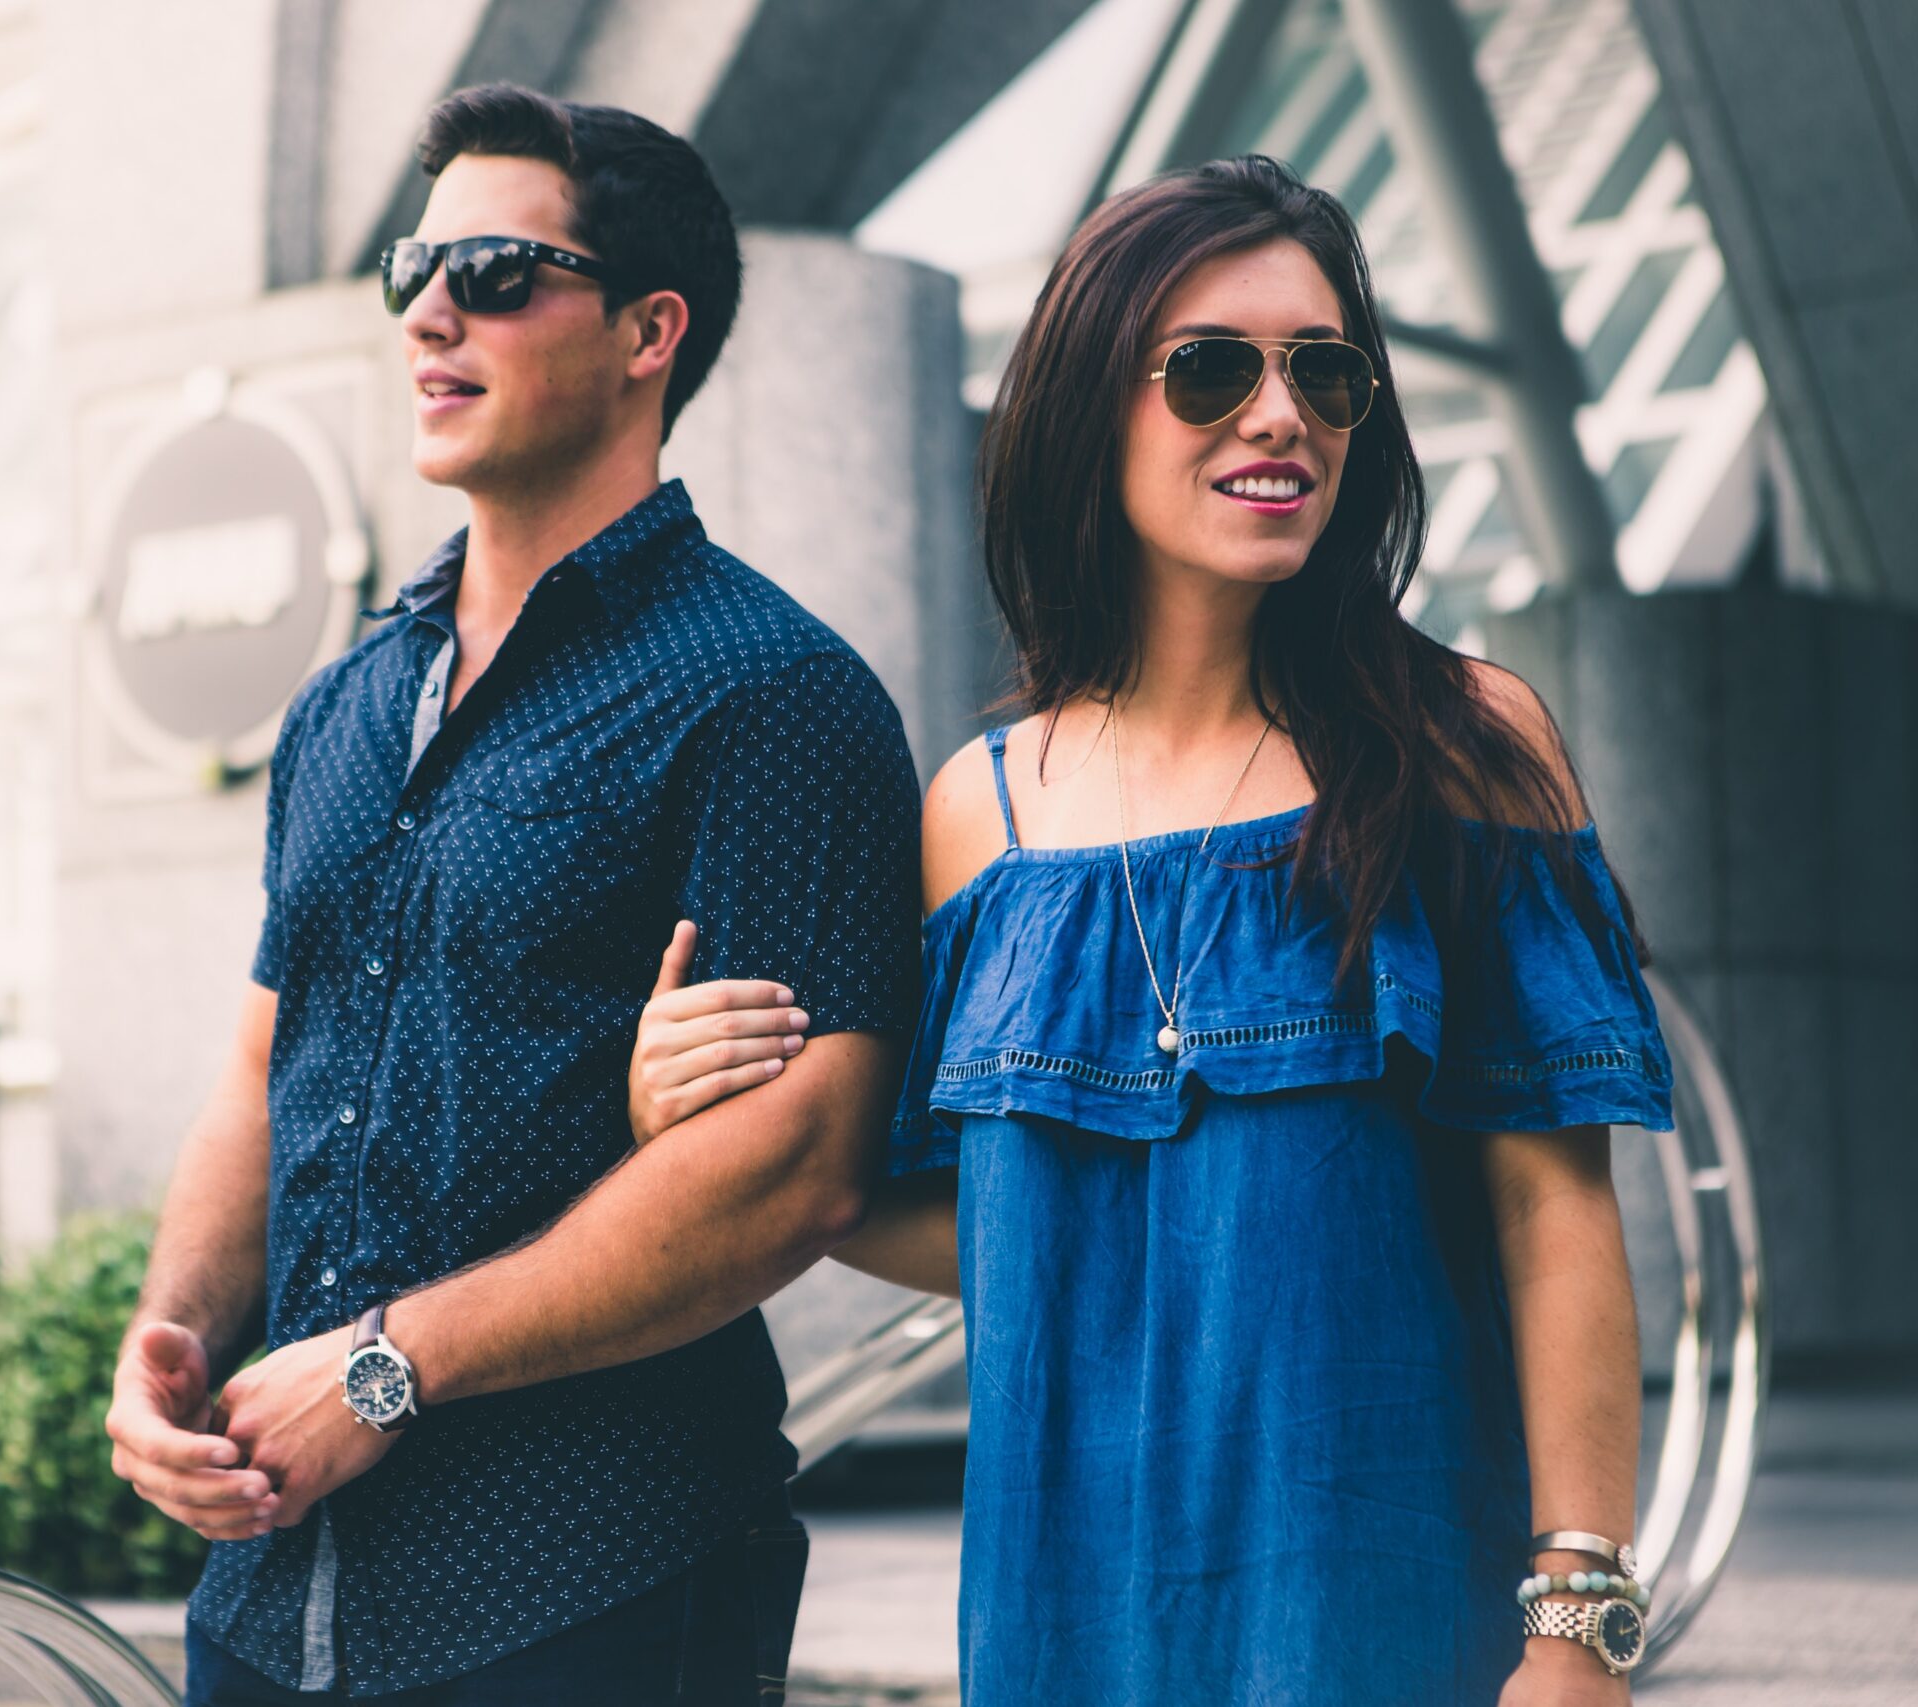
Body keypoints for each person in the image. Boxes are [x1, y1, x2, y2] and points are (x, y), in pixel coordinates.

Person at [626, 155, 1673, 1706]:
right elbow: (999, 1231)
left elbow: (1557, 1218)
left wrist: (1577, 1625)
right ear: (1087, 403)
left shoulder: (1464, 740)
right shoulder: (979, 809)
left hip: (1387, 1626)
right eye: (1209, 370)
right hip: (1065, 1629)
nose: (1282, 415)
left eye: (1327, 372)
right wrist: (711, 1129)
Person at [105, 83, 922, 1704]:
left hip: (593, 1591)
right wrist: (177, 1339)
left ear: (646, 331)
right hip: (271, 1605)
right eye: (416, 268)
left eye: (491, 271)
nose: (428, 312)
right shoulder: (342, 707)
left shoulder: (772, 696)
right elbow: (267, 1069)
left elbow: (805, 1162)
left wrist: (391, 1369)